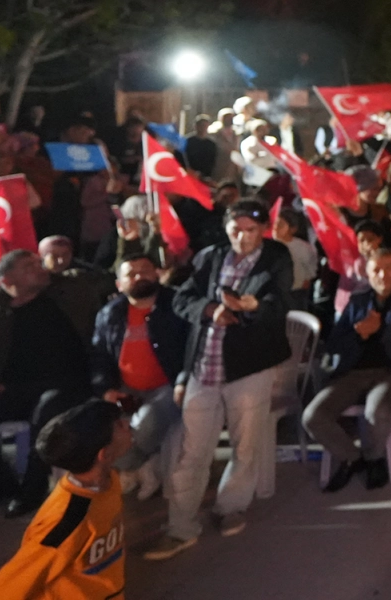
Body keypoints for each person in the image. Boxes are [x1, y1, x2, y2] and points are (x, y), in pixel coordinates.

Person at [149, 199, 293, 560]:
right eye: (236, 229)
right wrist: (211, 310)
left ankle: (231, 506)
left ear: (263, 231)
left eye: (250, 230)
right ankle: (180, 527)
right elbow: (183, 300)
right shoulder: (211, 257)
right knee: (192, 450)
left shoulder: (276, 258)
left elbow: (280, 303)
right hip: (204, 365)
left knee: (245, 446)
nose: (242, 237)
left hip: (249, 366)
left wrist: (251, 308)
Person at [0, 249, 104, 522]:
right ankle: (0, 485)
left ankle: (32, 488)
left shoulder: (68, 292)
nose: (39, 266)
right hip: (13, 390)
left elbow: (108, 280)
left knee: (47, 409)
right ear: (7, 278)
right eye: (29, 266)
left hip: (68, 385)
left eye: (38, 262)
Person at [307, 243, 391, 493]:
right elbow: (334, 343)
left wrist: (383, 330)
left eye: (389, 269)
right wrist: (357, 334)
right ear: (368, 273)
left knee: (377, 411)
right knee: (313, 417)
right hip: (354, 372)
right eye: (376, 270)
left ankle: (375, 459)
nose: (383, 275)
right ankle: (353, 458)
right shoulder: (358, 301)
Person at [0, 399, 131, 600]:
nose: (128, 424)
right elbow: (4, 590)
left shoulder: (109, 480)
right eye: (121, 425)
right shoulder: (68, 519)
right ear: (104, 455)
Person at [88, 252, 188, 500]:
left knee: (144, 426)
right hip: (125, 389)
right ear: (119, 284)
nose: (139, 276)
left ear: (157, 274)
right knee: (104, 429)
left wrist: (184, 381)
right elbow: (99, 357)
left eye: (144, 270)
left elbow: (193, 350)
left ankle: (132, 467)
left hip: (169, 386)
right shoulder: (109, 314)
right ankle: (143, 466)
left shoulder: (178, 305)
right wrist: (106, 389)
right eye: (131, 274)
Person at [38, 234, 115, 299]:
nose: (61, 260)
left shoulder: (83, 271)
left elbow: (107, 280)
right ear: (42, 256)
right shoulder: (36, 277)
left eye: (65, 255)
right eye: (55, 256)